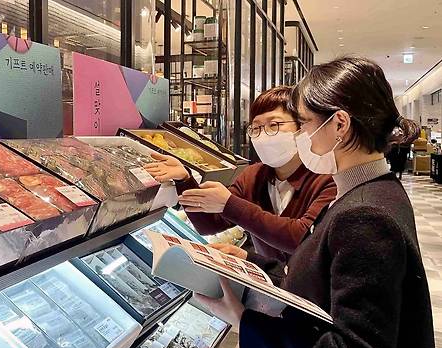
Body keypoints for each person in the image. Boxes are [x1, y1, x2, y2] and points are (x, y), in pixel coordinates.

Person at [197, 57, 437, 348]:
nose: (301, 136)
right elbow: (324, 280)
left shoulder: (365, 216)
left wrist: (245, 322)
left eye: (305, 123)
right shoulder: (366, 192)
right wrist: (251, 261)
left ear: (339, 124)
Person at [144, 86, 337, 266]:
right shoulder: (254, 175)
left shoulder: (327, 177)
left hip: (314, 289)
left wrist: (229, 204)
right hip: (272, 284)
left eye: (274, 124)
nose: (264, 136)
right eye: (256, 127)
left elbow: (303, 239)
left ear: (301, 127)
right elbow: (210, 225)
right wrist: (184, 180)